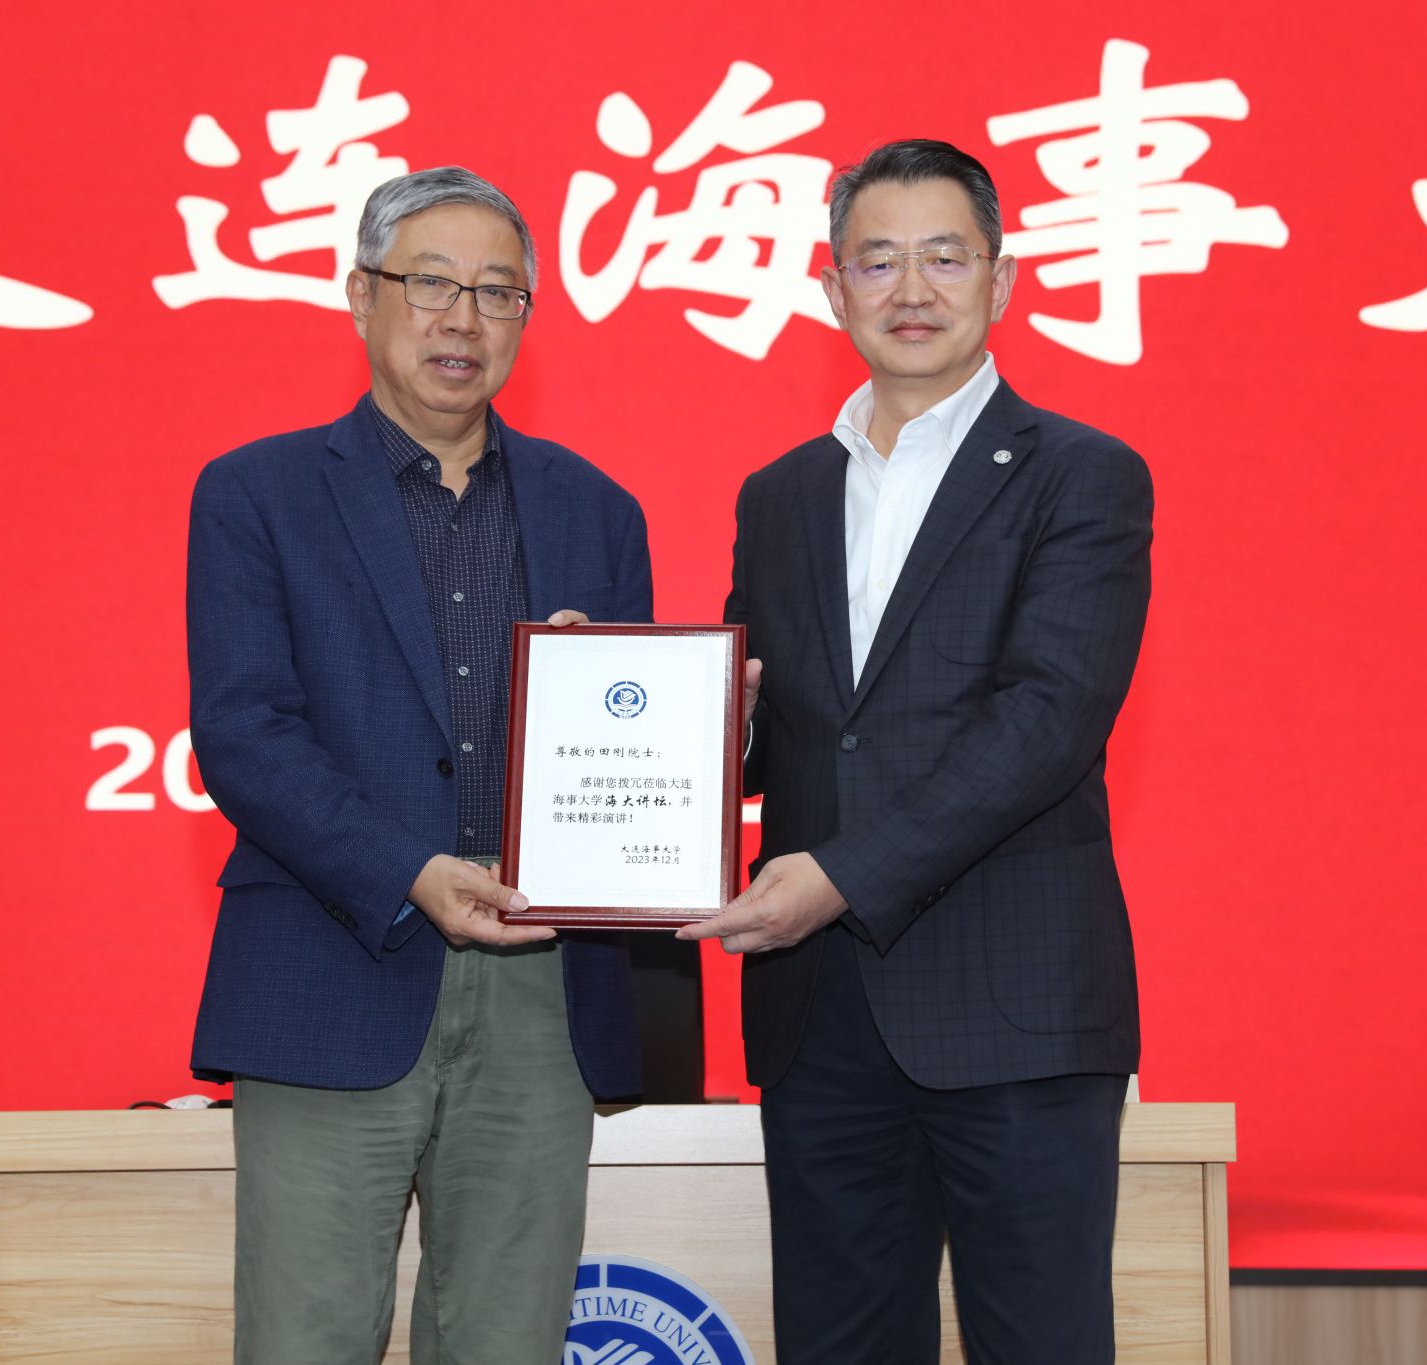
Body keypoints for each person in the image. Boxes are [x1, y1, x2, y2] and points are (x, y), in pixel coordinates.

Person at [681, 139, 1153, 1364]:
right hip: (820, 1017)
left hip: (1012, 1010)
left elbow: (1046, 721)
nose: (910, 290)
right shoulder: (778, 495)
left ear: (1000, 279)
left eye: (944, 257)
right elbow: (770, 735)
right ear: (829, 286)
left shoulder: (1081, 476)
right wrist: (656, 717)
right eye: (875, 260)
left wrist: (840, 876)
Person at [186, 166, 652, 1364]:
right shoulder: (255, 494)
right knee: (306, 1338)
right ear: (361, 296)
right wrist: (409, 870)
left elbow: (631, 750)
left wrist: (702, 726)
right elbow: (244, 732)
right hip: (331, 965)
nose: (464, 319)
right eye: (431, 284)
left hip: (541, 984)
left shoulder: (596, 509)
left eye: (499, 293)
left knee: (507, 1338)